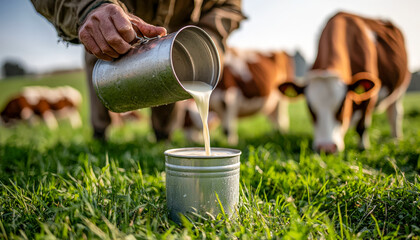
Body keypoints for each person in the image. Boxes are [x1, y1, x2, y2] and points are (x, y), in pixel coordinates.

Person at [30, 0, 245, 141]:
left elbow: (229, 6)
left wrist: (207, 37)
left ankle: (163, 136)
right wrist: (89, 6)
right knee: (105, 48)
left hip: (178, 44)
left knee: (170, 95)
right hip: (111, 38)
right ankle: (100, 136)